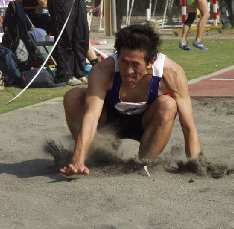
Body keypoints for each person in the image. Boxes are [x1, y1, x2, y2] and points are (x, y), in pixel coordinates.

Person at [61, 23, 201, 176]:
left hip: (146, 124)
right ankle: (95, 155)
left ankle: (145, 162)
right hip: (109, 121)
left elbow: (189, 126)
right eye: (124, 62)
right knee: (73, 97)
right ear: (117, 55)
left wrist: (195, 164)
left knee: (168, 105)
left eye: (135, 65)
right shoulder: (102, 71)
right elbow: (91, 116)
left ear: (151, 62)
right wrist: (77, 159)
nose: (128, 71)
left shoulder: (172, 73)